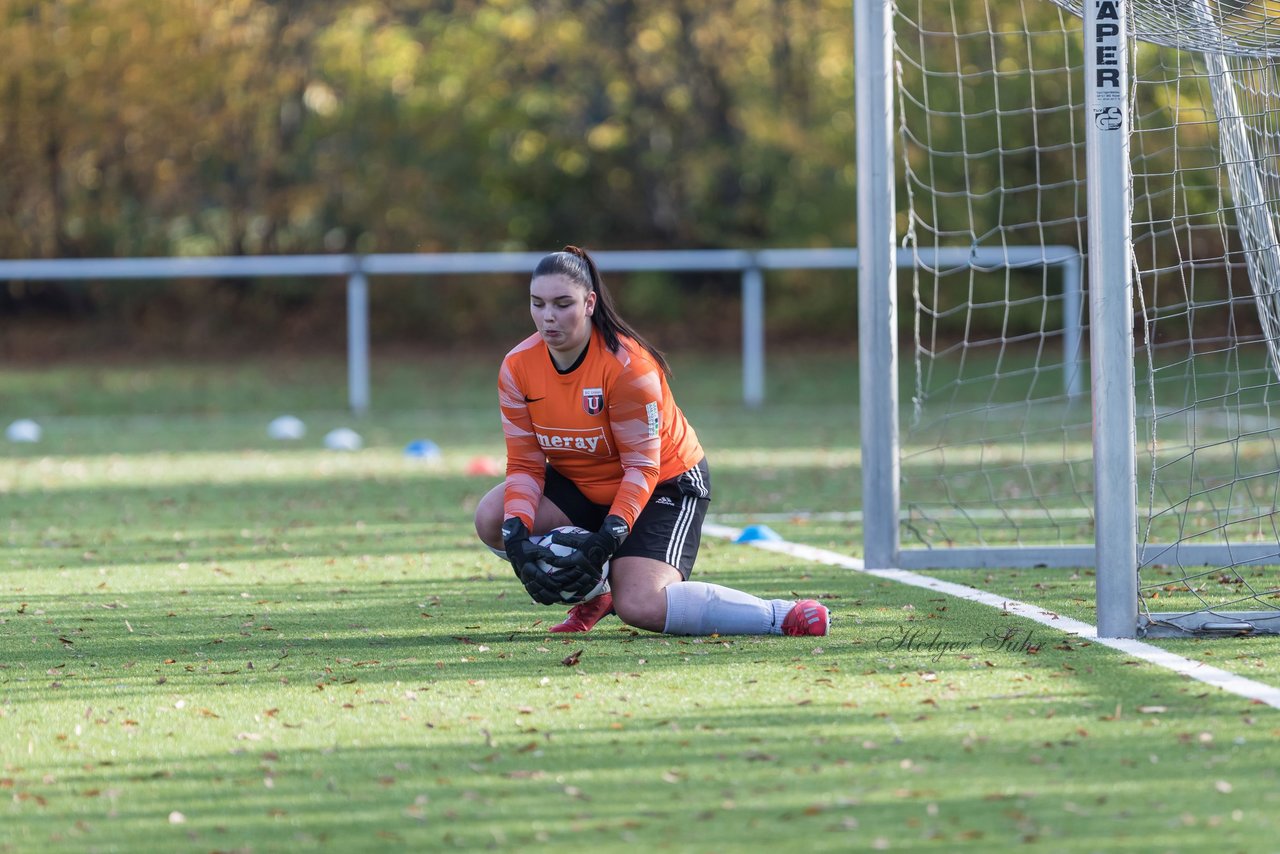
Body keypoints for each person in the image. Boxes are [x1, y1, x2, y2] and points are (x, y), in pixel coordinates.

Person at [473, 245, 829, 637]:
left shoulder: (628, 367)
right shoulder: (517, 367)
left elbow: (643, 466)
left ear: (590, 303)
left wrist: (609, 536)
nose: (548, 317)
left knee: (641, 605)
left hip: (664, 483)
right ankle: (596, 593)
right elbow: (525, 464)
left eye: (562, 304)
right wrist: (518, 537)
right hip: (583, 483)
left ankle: (780, 615)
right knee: (495, 517)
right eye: (537, 304)